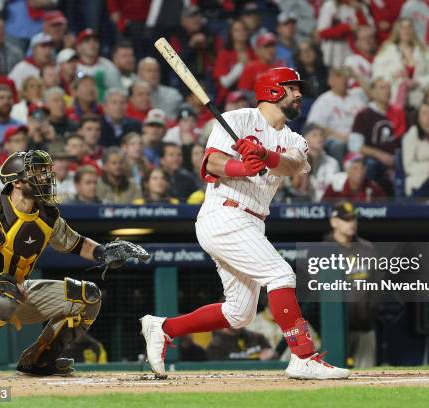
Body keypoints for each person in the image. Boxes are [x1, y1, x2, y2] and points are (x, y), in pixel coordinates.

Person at [141, 67, 351, 380]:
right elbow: (211, 162)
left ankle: (164, 328)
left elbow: (294, 164)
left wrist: (264, 155)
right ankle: (303, 356)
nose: (299, 94)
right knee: (280, 274)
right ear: (273, 90)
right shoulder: (238, 119)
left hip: (253, 221)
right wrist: (242, 166)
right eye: (292, 88)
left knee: (239, 313)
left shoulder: (295, 138)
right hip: (224, 213)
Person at [0, 149, 151, 378]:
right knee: (4, 292)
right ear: (17, 182)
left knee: (88, 297)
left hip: (18, 289)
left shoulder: (46, 215)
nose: (45, 177)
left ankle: (39, 359)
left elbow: (76, 244)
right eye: (36, 172)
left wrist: (103, 253)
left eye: (45, 171)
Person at [325, 202, 380, 367]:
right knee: (333, 373)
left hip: (365, 327)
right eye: (346, 219)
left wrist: (370, 313)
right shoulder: (324, 249)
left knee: (367, 377)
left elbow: (377, 287)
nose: (352, 223)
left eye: (353, 219)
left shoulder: (367, 249)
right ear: (334, 222)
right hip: (334, 329)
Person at [350, 78, 406, 196]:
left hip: (397, 158)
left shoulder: (398, 113)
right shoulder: (364, 115)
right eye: (382, 88)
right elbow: (354, 145)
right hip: (374, 160)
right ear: (373, 92)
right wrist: (380, 155)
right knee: (370, 165)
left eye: (388, 88)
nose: (387, 92)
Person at [372, 18, 429, 109]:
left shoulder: (425, 51)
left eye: (409, 27)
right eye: (402, 27)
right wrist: (393, 76)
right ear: (397, 30)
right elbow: (377, 76)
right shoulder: (386, 51)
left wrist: (417, 82)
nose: (406, 30)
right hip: (393, 100)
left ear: (414, 30)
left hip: (421, 100)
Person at [306, 67, 366, 163]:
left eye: (345, 77)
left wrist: (356, 76)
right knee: (338, 146)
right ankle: (342, 176)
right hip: (335, 140)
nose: (343, 80)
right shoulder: (324, 100)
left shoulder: (357, 96)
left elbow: (373, 96)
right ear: (330, 81)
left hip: (359, 139)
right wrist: (339, 135)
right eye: (339, 77)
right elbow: (315, 125)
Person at [316, 0, 374, 68]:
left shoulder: (361, 6)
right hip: (333, 56)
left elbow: (367, 31)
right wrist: (347, 28)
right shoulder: (330, 6)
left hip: (353, 54)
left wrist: (358, 12)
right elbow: (321, 33)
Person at [212, 19, 256, 106]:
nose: (241, 32)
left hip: (251, 98)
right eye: (237, 30)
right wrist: (241, 65)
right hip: (228, 100)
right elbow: (224, 83)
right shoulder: (224, 54)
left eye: (244, 29)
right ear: (231, 34)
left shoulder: (254, 53)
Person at [321, 156, 386, 202]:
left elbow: (385, 207)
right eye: (355, 168)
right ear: (348, 171)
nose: (360, 172)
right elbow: (323, 207)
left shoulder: (372, 187)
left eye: (362, 168)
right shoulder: (335, 186)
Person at [303, 124, 340, 202]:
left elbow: (336, 190)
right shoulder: (297, 161)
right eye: (314, 135)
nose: (319, 138)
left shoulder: (333, 163)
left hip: (327, 207)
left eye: (321, 135)